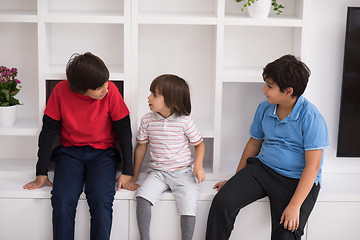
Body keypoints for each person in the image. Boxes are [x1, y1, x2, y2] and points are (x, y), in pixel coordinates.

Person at [206, 55, 329, 240]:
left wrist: (295, 205)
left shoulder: (312, 118)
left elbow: (312, 167)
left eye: (269, 86)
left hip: (296, 179)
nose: (264, 90)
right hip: (263, 169)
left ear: (288, 91)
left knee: (286, 233)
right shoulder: (265, 108)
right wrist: (236, 180)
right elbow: (254, 143)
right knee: (223, 200)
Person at [23, 52, 136, 240]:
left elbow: (124, 130)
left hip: (103, 154)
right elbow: (48, 131)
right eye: (99, 87)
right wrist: (41, 172)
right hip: (69, 153)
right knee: (62, 198)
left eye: (106, 82)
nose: (106, 89)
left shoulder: (111, 91)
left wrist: (128, 171)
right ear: (81, 89)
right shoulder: (60, 91)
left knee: (101, 199)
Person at [131, 74, 206, 240]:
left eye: (155, 94)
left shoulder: (185, 121)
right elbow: (141, 147)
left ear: (172, 101)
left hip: (183, 173)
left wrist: (198, 166)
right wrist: (134, 175)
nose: (149, 97)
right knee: (142, 197)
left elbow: (199, 144)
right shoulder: (147, 120)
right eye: (150, 93)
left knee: (188, 204)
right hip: (158, 173)